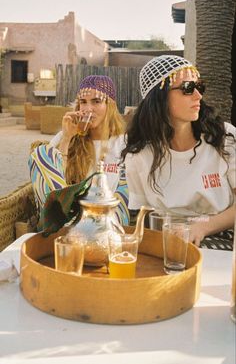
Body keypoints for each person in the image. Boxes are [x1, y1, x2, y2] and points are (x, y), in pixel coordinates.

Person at [122, 55, 236, 249]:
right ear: (159, 98)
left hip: (219, 236)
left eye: (199, 87)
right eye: (187, 89)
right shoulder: (139, 154)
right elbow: (141, 215)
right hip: (167, 239)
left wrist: (201, 227)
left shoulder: (224, 138)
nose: (198, 96)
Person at [29, 75, 129, 227]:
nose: (88, 109)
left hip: (106, 217)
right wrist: (67, 139)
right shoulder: (66, 135)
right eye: (83, 102)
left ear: (110, 106)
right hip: (69, 215)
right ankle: (64, 222)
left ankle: (82, 227)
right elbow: (53, 176)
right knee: (41, 154)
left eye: (97, 101)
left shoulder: (123, 142)